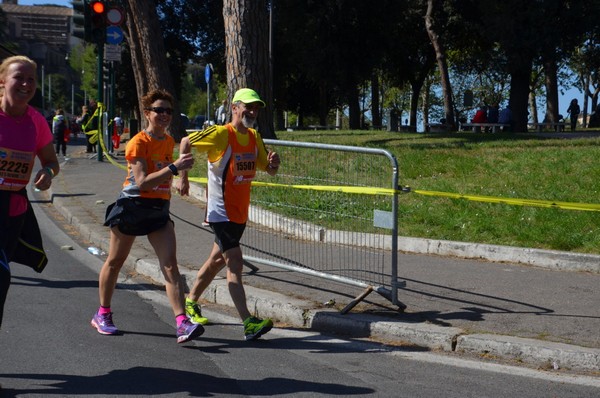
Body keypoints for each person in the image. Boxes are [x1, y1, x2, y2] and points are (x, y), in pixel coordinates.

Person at [92, 88, 203, 344]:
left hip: (158, 210)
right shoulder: (138, 142)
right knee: (115, 261)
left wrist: (181, 177)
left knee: (170, 265)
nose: (164, 115)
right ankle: (103, 313)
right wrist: (175, 168)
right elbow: (142, 182)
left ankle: (181, 322)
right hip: (133, 206)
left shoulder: (167, 141)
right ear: (147, 113)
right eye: (158, 110)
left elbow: (170, 171)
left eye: (168, 111)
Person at [177, 88, 281, 340]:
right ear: (234, 108)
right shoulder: (221, 134)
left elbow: (267, 169)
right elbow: (186, 141)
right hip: (220, 211)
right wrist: (184, 177)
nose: (253, 111)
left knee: (216, 261)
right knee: (234, 262)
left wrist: (273, 164)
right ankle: (248, 322)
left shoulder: (255, 136)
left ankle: (190, 301)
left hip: (239, 213)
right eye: (248, 106)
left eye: (256, 108)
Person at [0, 55, 59, 329]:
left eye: (31, 79)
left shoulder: (37, 121)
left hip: (13, 209)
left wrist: (47, 173)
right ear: (2, 81)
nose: (25, 84)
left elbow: (51, 162)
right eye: (18, 78)